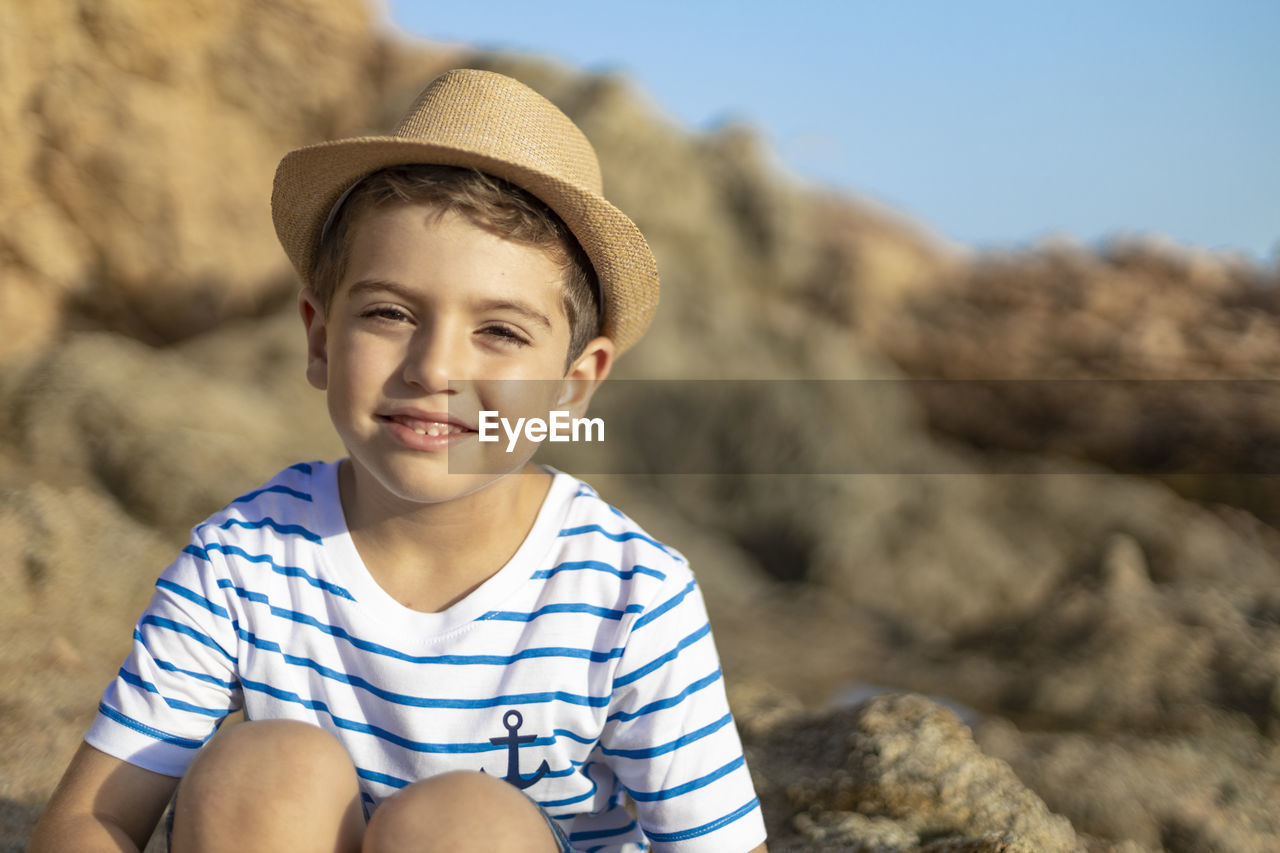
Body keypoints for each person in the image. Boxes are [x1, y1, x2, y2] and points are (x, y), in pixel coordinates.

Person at [29, 69, 768, 853]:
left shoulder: (630, 591)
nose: (433, 367)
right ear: (319, 337)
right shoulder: (244, 559)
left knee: (461, 824)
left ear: (573, 384)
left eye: (500, 332)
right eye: (390, 312)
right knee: (265, 766)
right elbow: (93, 816)